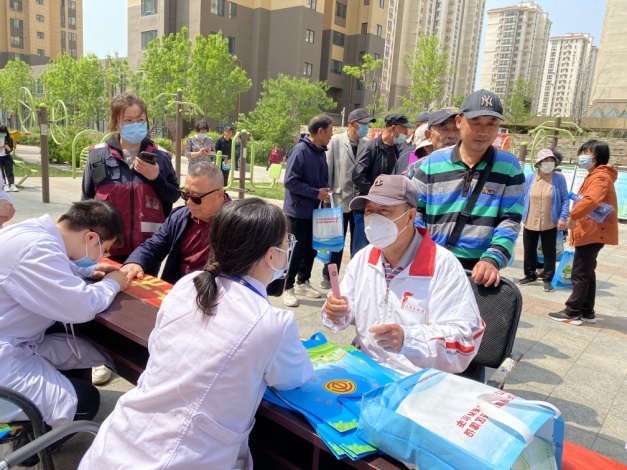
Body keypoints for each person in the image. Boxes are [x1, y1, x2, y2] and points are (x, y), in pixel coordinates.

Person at [79, 198, 313, 469]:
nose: (288, 249)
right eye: (286, 244)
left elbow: (158, 345)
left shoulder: (188, 284)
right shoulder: (272, 322)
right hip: (179, 458)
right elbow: (294, 377)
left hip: (117, 443)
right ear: (271, 256)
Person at [322, 175, 484, 375]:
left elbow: (464, 338)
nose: (374, 219)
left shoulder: (443, 265)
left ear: (410, 216)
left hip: (417, 379)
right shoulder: (364, 258)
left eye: (385, 211)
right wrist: (337, 311)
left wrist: (408, 339)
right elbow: (348, 306)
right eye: (369, 211)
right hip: (366, 369)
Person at [0, 200, 128, 429]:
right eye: (103, 249)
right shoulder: (36, 250)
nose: (103, 255)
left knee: (82, 351)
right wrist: (111, 284)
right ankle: (28, 452)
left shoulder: (33, 233)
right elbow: (80, 306)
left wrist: (86, 269)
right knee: (84, 401)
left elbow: (54, 265)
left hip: (15, 339)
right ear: (90, 238)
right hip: (5, 357)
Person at [81, 92, 179, 386]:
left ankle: (141, 360)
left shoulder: (160, 157)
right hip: (108, 248)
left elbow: (172, 197)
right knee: (105, 303)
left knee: (142, 306)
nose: (136, 125)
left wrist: (156, 176)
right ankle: (101, 359)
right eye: (128, 120)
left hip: (147, 249)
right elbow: (87, 200)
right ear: (116, 122)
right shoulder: (98, 155)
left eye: (141, 120)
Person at [412, 90, 525, 288]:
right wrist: (423, 250)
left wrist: (492, 259)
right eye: (476, 122)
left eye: (492, 123)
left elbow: (510, 220)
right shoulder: (432, 163)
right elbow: (413, 211)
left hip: (479, 272)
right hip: (432, 262)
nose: (483, 131)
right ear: (459, 121)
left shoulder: (509, 167)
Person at [121, 160, 227, 284]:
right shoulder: (179, 216)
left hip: (215, 294)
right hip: (177, 290)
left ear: (219, 194)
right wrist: (135, 262)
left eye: (196, 198)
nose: (188, 203)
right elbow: (155, 245)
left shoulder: (241, 223)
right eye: (185, 194)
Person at [549, 140, 618, 326]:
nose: (583, 156)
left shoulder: (600, 177)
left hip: (593, 231)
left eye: (587, 152)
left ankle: (572, 312)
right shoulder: (596, 175)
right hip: (592, 231)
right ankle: (588, 311)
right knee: (587, 272)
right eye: (583, 151)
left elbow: (592, 200)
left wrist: (573, 215)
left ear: (598, 157)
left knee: (579, 273)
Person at [320, 108, 375, 289]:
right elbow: (328, 171)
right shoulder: (336, 142)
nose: (366, 128)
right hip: (338, 199)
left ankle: (354, 277)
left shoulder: (367, 144)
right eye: (364, 124)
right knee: (336, 242)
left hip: (359, 202)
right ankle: (328, 275)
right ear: (353, 124)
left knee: (359, 243)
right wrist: (327, 200)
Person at [281, 114, 333, 307]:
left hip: (315, 210)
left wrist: (326, 190)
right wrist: (315, 193)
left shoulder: (320, 152)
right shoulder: (300, 151)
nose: (331, 135)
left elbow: (322, 179)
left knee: (311, 248)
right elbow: (290, 182)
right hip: (297, 211)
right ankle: (287, 287)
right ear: (320, 131)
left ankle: (303, 281)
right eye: (330, 130)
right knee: (296, 249)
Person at [352, 113, 410, 256]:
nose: (406, 133)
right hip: (367, 211)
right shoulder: (371, 147)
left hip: (387, 210)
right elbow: (357, 176)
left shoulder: (397, 150)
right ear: (393, 128)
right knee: (362, 253)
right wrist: (377, 195)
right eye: (404, 129)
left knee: (381, 252)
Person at [519, 148, 569, 292]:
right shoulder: (529, 178)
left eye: (551, 161)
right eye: (545, 161)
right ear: (538, 164)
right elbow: (522, 197)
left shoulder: (559, 179)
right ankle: (529, 274)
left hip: (550, 221)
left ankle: (547, 278)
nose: (548, 164)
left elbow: (565, 199)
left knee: (549, 251)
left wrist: (563, 218)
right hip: (530, 219)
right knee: (529, 249)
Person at [404, 108, 460, 180]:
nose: (451, 135)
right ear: (429, 135)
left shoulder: (472, 167)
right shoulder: (417, 169)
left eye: (456, 129)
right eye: (444, 129)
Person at [0, 124, 18, 192]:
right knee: (1, 172)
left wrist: (8, 148)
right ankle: (4, 185)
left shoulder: (8, 138)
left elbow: (11, 149)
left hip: (6, 157)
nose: (2, 134)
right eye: (1, 132)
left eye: (3, 132)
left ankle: (12, 185)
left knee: (9, 171)